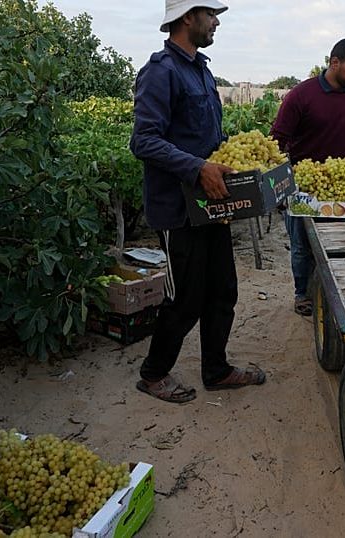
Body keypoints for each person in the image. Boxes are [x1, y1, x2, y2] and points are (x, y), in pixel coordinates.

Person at [129, 0, 265, 403]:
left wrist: (232, 160)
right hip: (176, 208)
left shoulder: (202, 71)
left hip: (212, 205)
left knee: (222, 290)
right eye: (211, 14)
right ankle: (154, 374)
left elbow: (206, 139)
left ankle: (216, 370)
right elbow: (144, 141)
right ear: (188, 17)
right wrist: (197, 167)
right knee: (184, 298)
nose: (217, 21)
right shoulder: (160, 72)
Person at [270, 38, 345, 316]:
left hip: (344, 186)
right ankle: (303, 294)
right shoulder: (301, 95)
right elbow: (279, 138)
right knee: (302, 245)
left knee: (343, 242)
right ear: (334, 63)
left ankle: (339, 291)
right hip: (305, 184)